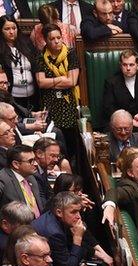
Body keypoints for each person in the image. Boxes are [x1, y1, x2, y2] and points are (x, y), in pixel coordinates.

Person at [34, 24, 79, 162]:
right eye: (52, 38)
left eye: (59, 37)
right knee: (54, 140)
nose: (56, 41)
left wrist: (50, 82)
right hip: (50, 104)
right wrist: (60, 79)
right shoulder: (40, 57)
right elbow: (41, 83)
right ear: (46, 41)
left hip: (68, 103)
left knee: (71, 144)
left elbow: (72, 81)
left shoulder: (70, 54)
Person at [0, 16, 37, 114]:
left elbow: (36, 65)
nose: (11, 32)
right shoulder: (1, 49)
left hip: (32, 95)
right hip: (13, 97)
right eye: (7, 29)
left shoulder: (27, 43)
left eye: (14, 28)